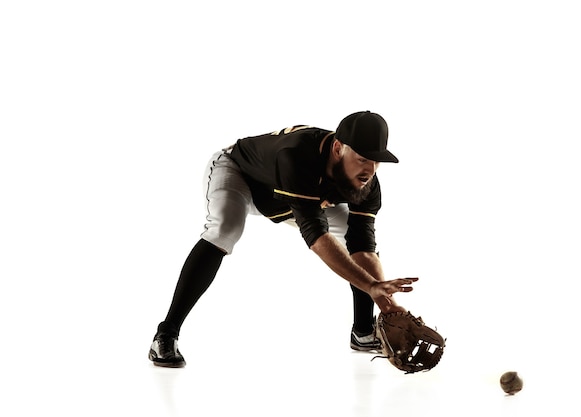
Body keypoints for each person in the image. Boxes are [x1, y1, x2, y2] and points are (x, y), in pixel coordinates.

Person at [149, 111, 419, 367]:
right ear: (338, 148)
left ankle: (362, 331)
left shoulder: (368, 183)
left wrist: (388, 305)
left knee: (353, 234)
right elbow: (316, 237)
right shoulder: (298, 155)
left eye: (376, 160)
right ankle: (166, 335)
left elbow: (364, 248)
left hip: (289, 200)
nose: (370, 168)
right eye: (362, 158)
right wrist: (371, 285)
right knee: (225, 229)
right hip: (240, 174)